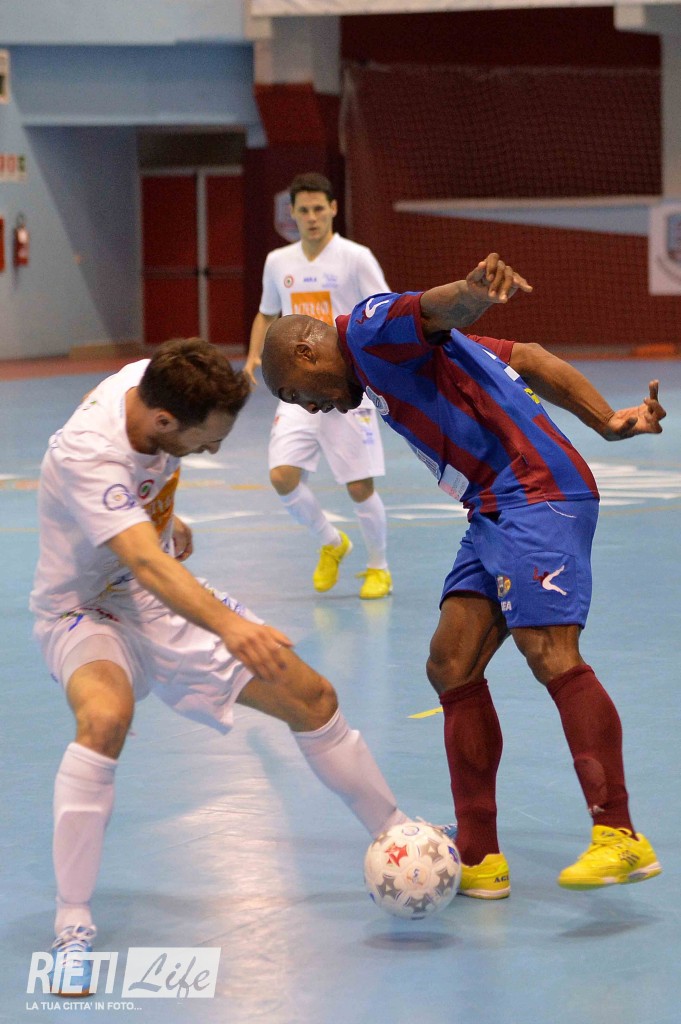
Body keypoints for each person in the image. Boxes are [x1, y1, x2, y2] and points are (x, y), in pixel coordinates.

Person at [260, 253, 665, 899]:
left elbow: (432, 307)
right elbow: (528, 357)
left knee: (549, 651)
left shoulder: (364, 330)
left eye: (295, 394)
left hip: (534, 491)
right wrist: (606, 421)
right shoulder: (397, 359)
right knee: (450, 663)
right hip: (491, 506)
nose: (311, 407)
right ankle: (479, 856)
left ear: (306, 352)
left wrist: (471, 293)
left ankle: (619, 836)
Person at [30, 338, 416, 996]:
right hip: (82, 609)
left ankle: (396, 833)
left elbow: (144, 532)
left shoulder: (152, 384)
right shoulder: (88, 452)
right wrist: (232, 626)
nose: (211, 451)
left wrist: (163, 515)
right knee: (104, 718)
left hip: (151, 594)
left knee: (312, 697)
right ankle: (73, 925)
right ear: (162, 421)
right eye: (205, 442)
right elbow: (144, 560)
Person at [244, 172, 392, 600]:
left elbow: (383, 309)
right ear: (292, 213)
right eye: (304, 210)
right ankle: (332, 542)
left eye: (318, 209)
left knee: (359, 486)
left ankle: (379, 567)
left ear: (333, 209)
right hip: (298, 388)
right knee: (282, 476)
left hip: (346, 387)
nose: (311, 217)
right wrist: (254, 355)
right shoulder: (278, 262)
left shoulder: (356, 258)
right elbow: (266, 314)